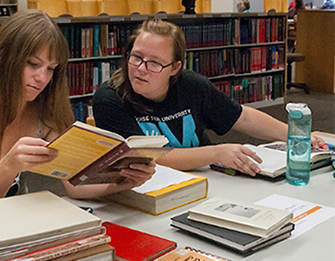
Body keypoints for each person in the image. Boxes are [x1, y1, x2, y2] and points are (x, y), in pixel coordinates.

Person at [0, 10, 155, 228]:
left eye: (51, 69)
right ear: (2, 55)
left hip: (8, 226)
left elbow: (74, 184)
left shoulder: (40, 109)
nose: (42, 78)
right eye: (33, 64)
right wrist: (8, 167)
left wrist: (126, 180)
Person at [93, 19, 327, 177]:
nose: (141, 69)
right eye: (136, 57)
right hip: (150, 188)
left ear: (175, 68)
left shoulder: (191, 85)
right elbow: (146, 158)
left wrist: (296, 134)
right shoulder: (111, 98)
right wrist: (217, 152)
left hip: (205, 178)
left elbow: (241, 117)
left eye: (154, 63)